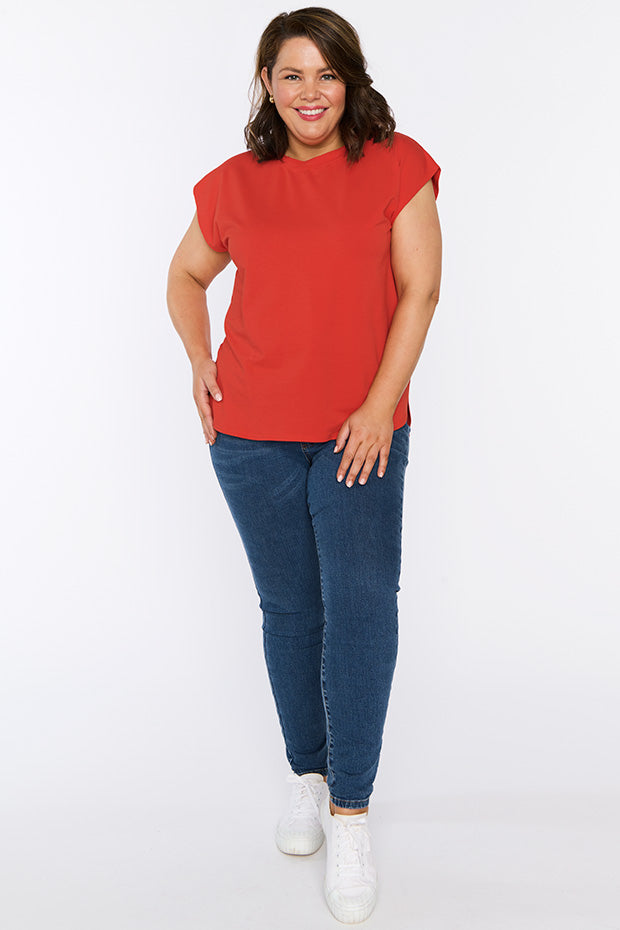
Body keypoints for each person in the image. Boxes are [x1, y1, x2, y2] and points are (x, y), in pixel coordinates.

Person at [167, 6, 442, 924]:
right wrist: (200, 359)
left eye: (326, 74)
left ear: (350, 81)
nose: (310, 92)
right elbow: (185, 276)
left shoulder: (398, 167)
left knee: (360, 609)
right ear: (267, 85)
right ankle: (309, 776)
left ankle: (352, 813)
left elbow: (421, 291)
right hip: (249, 434)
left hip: (361, 433)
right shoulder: (233, 185)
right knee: (290, 611)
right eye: (291, 75)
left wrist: (377, 407)